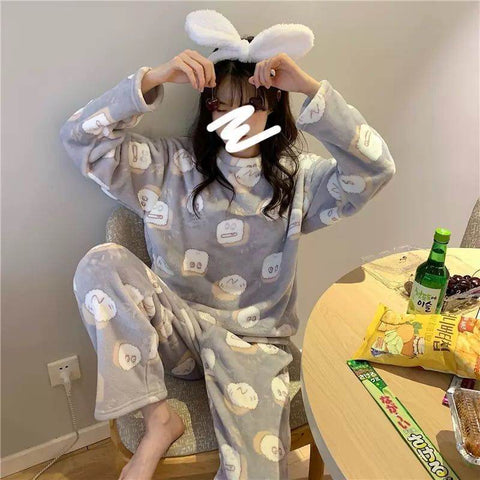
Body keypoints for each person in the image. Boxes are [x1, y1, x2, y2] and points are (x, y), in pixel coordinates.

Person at [59, 14, 396, 480]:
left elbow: (376, 169)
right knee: (99, 264)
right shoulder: (168, 165)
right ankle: (159, 421)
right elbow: (80, 139)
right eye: (223, 104)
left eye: (252, 104)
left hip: (254, 346)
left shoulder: (299, 179)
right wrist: (154, 79)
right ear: (208, 106)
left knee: (258, 471)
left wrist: (309, 87)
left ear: (272, 105)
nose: (237, 117)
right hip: (177, 332)